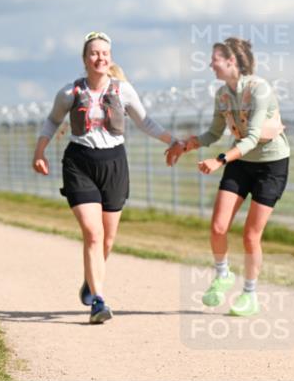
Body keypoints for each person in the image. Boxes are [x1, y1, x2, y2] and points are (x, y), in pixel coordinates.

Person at [32, 32, 182, 324]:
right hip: (79, 163)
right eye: (94, 53)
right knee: (93, 233)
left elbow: (145, 122)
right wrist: (39, 151)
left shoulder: (123, 90)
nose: (100, 58)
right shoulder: (69, 93)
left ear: (110, 58)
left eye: (105, 53)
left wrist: (172, 140)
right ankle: (98, 302)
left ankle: (91, 280)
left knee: (109, 239)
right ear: (85, 59)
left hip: (114, 163)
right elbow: (53, 120)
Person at [167, 37, 290, 317]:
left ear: (231, 61)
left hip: (271, 165)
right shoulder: (223, 95)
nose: (211, 64)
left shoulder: (259, 90)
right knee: (218, 227)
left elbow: (253, 138)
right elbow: (213, 133)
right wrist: (186, 145)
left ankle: (250, 295)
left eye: (215, 59)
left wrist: (220, 160)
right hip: (240, 162)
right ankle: (223, 275)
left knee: (250, 235)